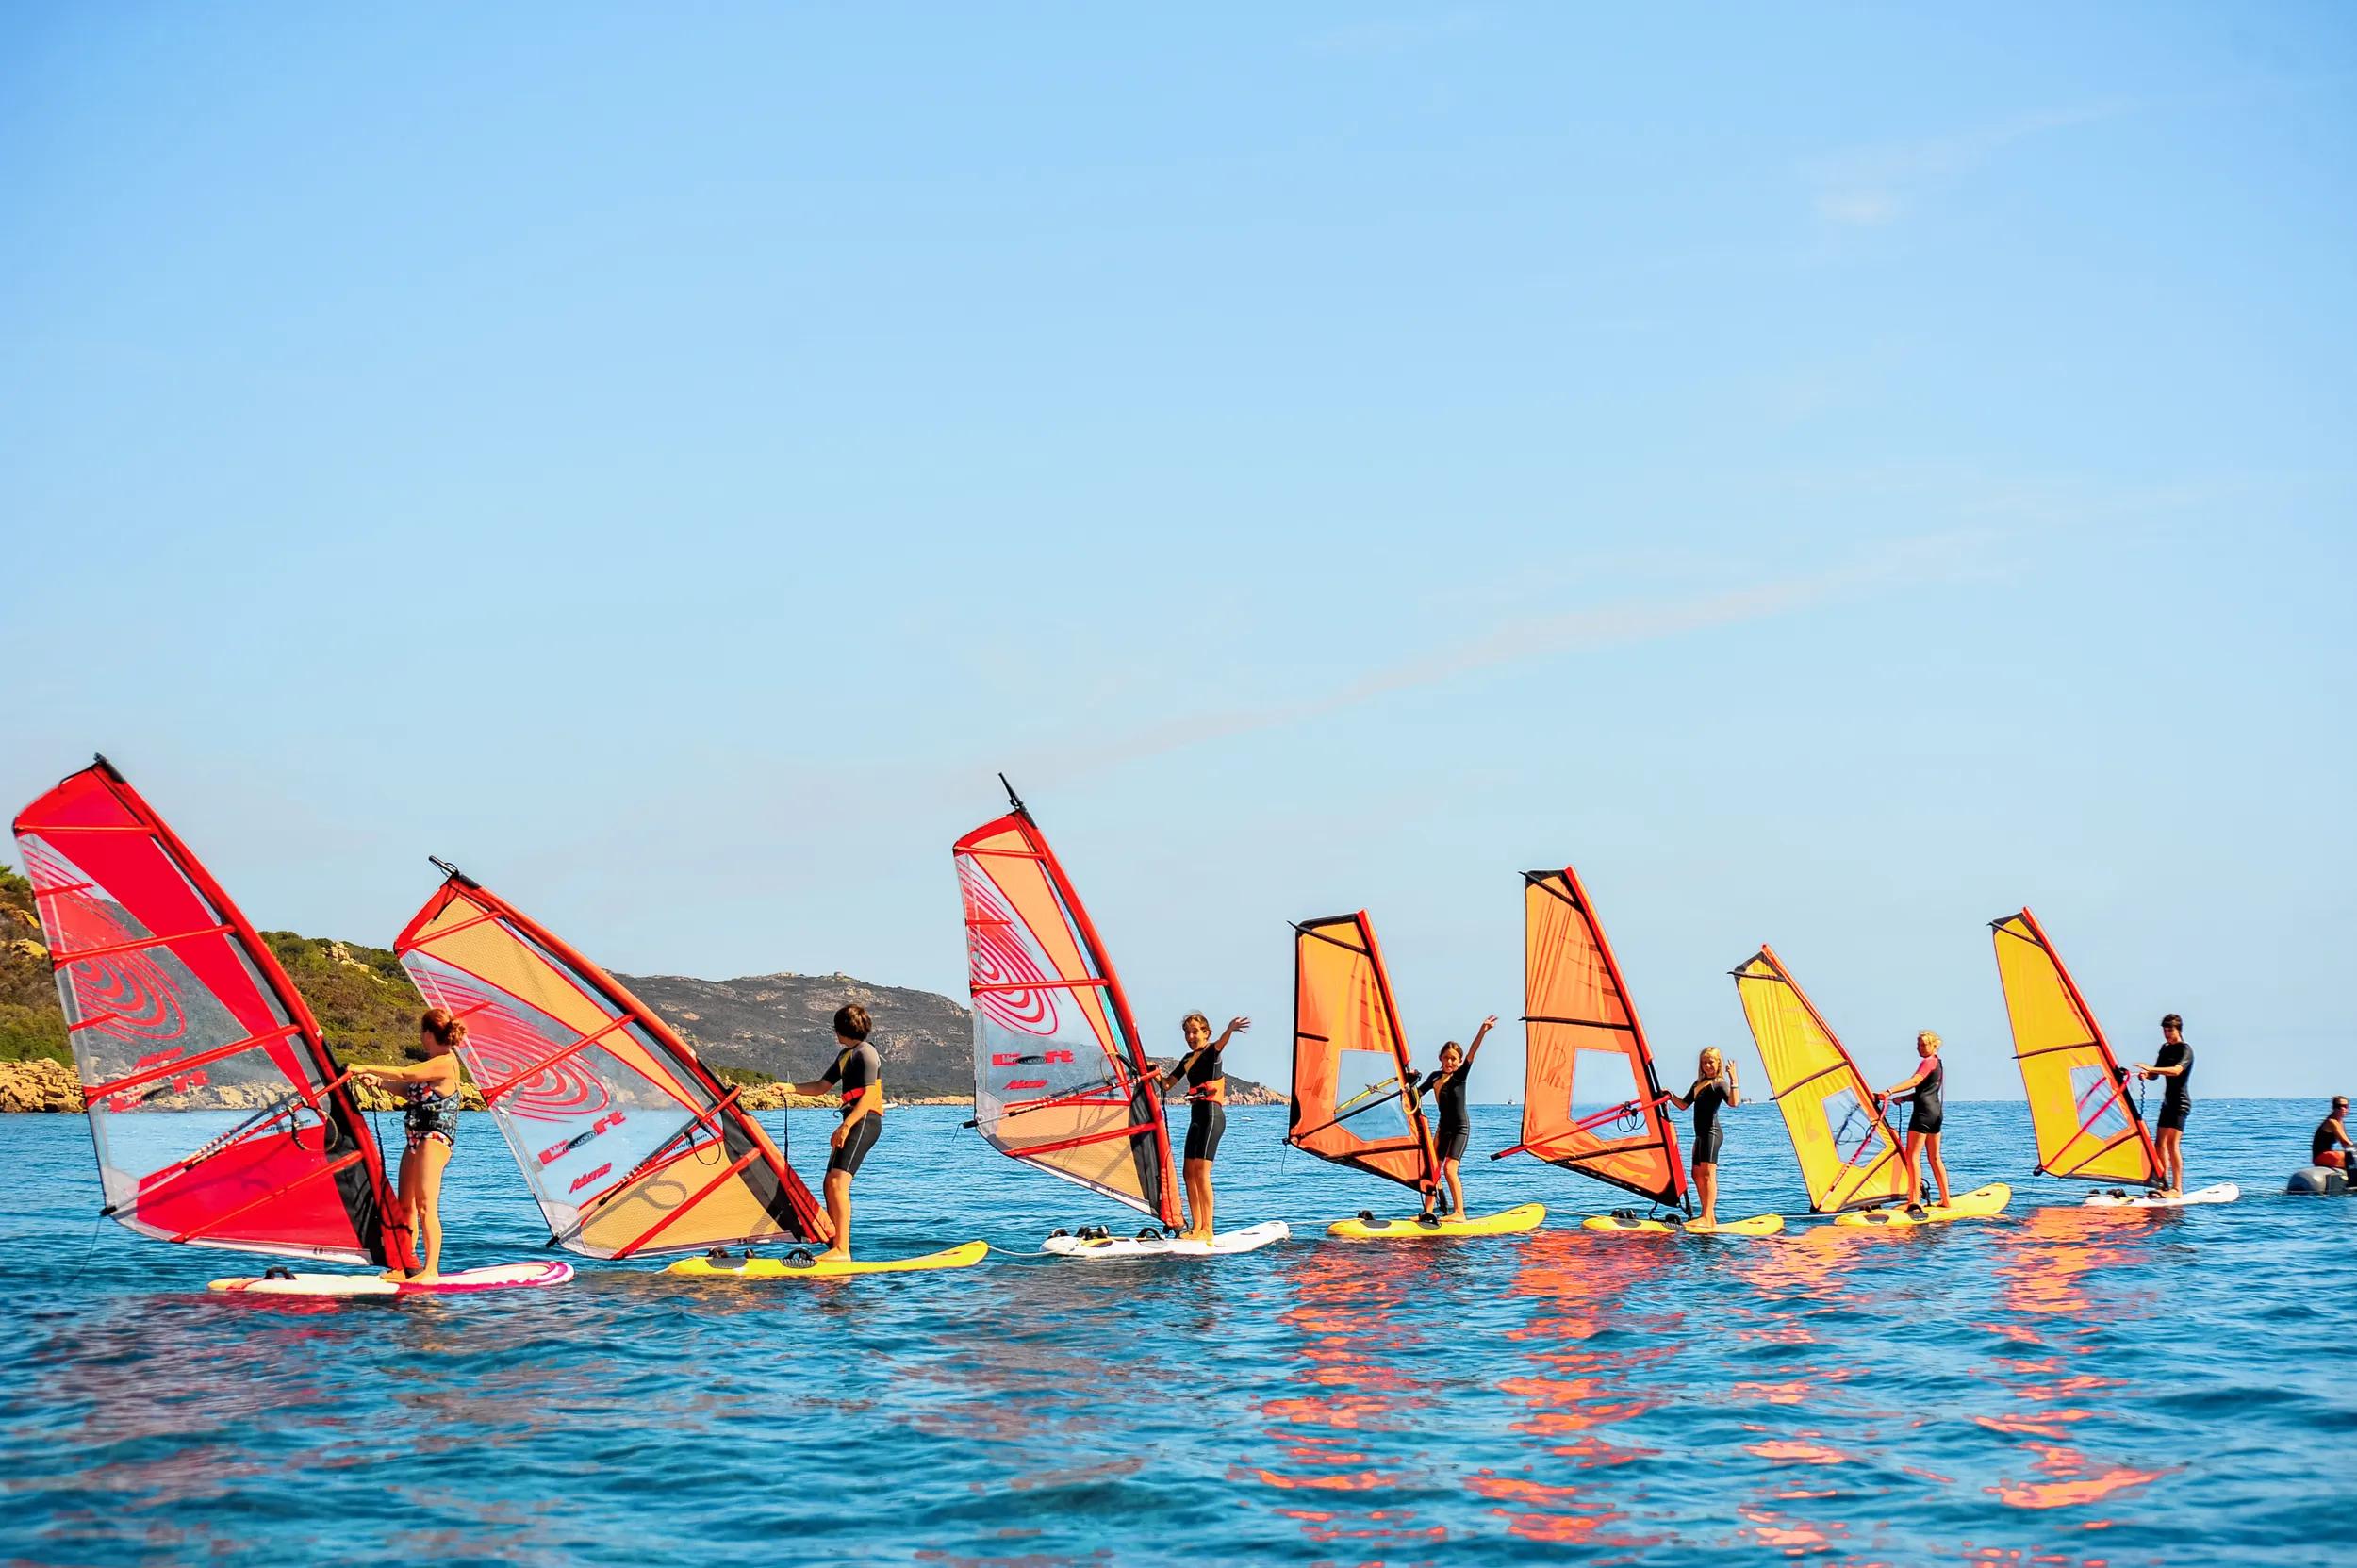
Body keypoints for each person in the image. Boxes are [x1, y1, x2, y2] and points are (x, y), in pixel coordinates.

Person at [356, 1008, 467, 1283]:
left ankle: (431, 1270)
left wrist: (364, 1067)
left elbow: (406, 1074)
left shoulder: (446, 1063)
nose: (421, 1037)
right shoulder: (431, 1063)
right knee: (405, 1205)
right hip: (415, 1138)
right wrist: (379, 1083)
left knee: (426, 1206)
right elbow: (408, 1090)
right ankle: (404, 1265)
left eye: (422, 1032)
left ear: (428, 1033)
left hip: (435, 1138)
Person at [786, 1004, 884, 1262]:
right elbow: (821, 1086)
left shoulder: (866, 1053)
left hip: (864, 1120)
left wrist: (846, 1126)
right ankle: (835, 1246)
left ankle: (842, 1250)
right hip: (853, 1120)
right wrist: (788, 1088)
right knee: (828, 1183)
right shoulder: (846, 1055)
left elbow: (870, 1096)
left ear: (842, 1029)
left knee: (838, 1183)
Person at [1149, 1013, 1249, 1243]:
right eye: (1187, 1032)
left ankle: (1208, 1229)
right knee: (1188, 1173)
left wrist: (1231, 1029)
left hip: (1211, 1117)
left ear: (1206, 1033)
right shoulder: (1187, 1059)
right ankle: (1196, 1228)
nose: (1191, 1036)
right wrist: (1155, 1073)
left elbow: (1222, 1043)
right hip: (1196, 1117)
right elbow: (1166, 1085)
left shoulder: (1211, 1052)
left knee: (1202, 1173)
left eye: (1195, 1031)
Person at [1414, 1015, 1497, 1223]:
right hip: (1443, 1129)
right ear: (1440, 1058)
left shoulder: (1460, 1076)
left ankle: (1459, 1212)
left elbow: (1472, 1052)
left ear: (1459, 1061)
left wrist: (1483, 1030)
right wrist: (1409, 1081)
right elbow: (1415, 1095)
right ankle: (1429, 1212)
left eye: (1453, 1059)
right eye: (1446, 1058)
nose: (1450, 1062)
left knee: (1450, 1169)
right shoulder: (1434, 1077)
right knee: (1432, 1170)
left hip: (1460, 1128)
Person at [1663, 1047, 1740, 1227]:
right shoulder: (1698, 1084)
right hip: (1699, 1135)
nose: (1707, 1066)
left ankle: (1708, 1216)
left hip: (1711, 1133)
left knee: (1708, 1175)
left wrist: (1734, 1078)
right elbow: (1683, 1105)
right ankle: (1707, 1216)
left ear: (1718, 1062)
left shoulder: (1720, 1084)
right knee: (1696, 1174)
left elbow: (1734, 1103)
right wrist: (1670, 1096)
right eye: (1704, 1062)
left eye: (1711, 1062)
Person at [1878, 1030, 1951, 1209]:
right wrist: (1904, 1099)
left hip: (1923, 1114)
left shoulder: (1927, 1062)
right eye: (1918, 1044)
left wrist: (1889, 1091)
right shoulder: (1938, 1063)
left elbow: (1915, 1081)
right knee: (1935, 1158)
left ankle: (1914, 1200)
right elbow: (1924, 1091)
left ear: (1934, 1046)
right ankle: (1946, 1200)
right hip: (1936, 1112)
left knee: (1913, 1157)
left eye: (1924, 1044)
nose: (1920, 1048)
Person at [2132, 1014, 2194, 1196]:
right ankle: (2163, 1185)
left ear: (2178, 1030)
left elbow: (2176, 1071)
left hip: (2180, 1104)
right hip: (2167, 1103)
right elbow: (2156, 1075)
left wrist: (2151, 1068)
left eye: (2170, 1030)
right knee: (2159, 1144)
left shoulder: (2185, 1050)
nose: (2167, 1034)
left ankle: (2177, 1188)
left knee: (2173, 1145)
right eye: (2165, 1030)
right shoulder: (2165, 1049)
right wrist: (2147, 1074)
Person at [2313, 1097, 2352, 1171]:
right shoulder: (2332, 1122)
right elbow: (2346, 1143)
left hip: (2328, 1155)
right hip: (2321, 1157)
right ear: (2334, 1108)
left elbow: (2345, 1145)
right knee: (2350, 1158)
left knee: (2350, 1157)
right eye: (2339, 1106)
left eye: (2345, 1106)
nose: (2342, 1109)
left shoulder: (2339, 1122)